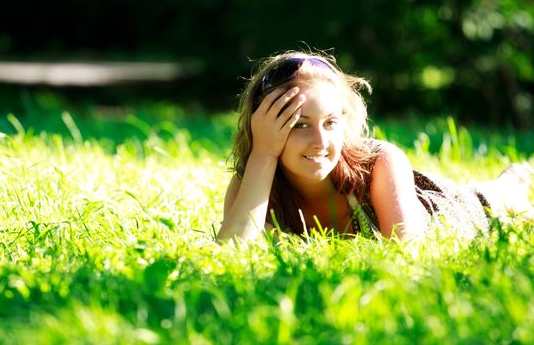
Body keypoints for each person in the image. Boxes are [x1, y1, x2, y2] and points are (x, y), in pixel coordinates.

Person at [217, 50, 534, 242]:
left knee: (493, 199)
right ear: (265, 128)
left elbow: (407, 252)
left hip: (446, 208)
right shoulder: (254, 183)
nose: (320, 141)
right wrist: (263, 153)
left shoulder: (380, 161)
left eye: (330, 123)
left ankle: (512, 181)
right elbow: (230, 252)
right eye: (299, 124)